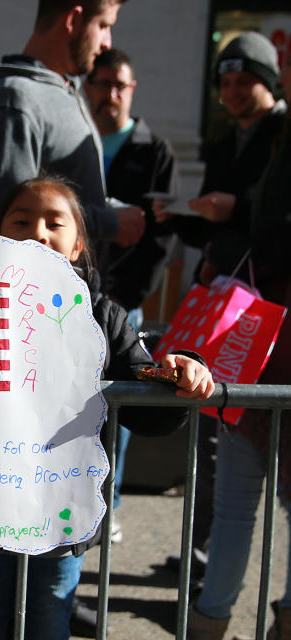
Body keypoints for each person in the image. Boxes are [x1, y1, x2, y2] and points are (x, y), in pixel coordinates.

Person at [0, 175, 215, 640]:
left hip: (62, 513)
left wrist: (181, 372)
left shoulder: (103, 316)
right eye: (22, 219)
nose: (37, 231)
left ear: (77, 246)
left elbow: (142, 398)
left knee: (48, 616)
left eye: (55, 223)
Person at [156, 30, 287, 585]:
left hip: (269, 321)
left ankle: (211, 582)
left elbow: (268, 225)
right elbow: (223, 219)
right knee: (216, 432)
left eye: (245, 81)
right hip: (231, 306)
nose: (232, 92)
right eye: (225, 82)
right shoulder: (228, 139)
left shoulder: (281, 133)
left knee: (247, 460)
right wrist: (180, 218)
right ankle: (204, 567)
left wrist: (237, 210)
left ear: (271, 82)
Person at [186, 55, 291, 640]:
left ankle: (213, 622)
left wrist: (234, 234)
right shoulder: (263, 139)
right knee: (234, 504)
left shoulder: (277, 138)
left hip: (268, 345)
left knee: (238, 505)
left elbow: (271, 238)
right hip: (255, 346)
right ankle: (212, 620)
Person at [84, 47, 180, 539]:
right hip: (71, 302)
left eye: (120, 85)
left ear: (132, 90)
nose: (111, 94)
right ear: (89, 87)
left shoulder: (153, 151)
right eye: (103, 84)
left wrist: (128, 295)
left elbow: (162, 237)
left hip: (123, 304)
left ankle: (109, 502)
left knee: (119, 407)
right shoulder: (76, 142)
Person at [0, 0, 146, 258]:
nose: (107, 42)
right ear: (73, 19)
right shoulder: (12, 100)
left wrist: (115, 211)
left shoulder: (64, 89)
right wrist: (110, 223)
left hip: (75, 294)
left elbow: (77, 196)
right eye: (104, 26)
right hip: (38, 296)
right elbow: (9, 226)